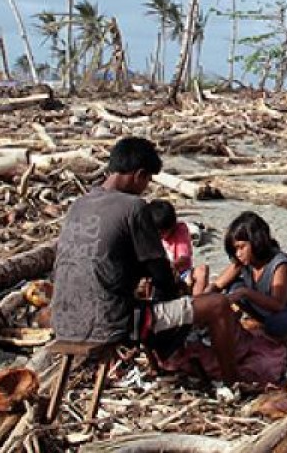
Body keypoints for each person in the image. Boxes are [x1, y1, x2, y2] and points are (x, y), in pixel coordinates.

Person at [50, 137, 237, 382]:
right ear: (139, 175)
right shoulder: (133, 207)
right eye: (147, 180)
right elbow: (160, 272)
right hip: (112, 323)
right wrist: (176, 300)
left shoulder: (79, 205)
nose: (146, 186)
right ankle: (234, 382)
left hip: (63, 321)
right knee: (218, 305)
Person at [207, 211, 287, 358]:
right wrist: (201, 299)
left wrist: (245, 292)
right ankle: (264, 324)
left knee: (275, 323)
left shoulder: (280, 264)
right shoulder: (242, 262)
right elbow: (218, 284)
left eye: (242, 247)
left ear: (256, 242)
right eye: (235, 249)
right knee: (233, 287)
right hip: (272, 309)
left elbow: (278, 304)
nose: (238, 254)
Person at [148, 199, 209, 293]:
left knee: (202, 271)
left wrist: (172, 267)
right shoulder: (147, 233)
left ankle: (196, 301)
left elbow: (183, 257)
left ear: (172, 226)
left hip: (182, 272)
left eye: (163, 233)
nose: (160, 235)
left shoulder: (180, 230)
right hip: (157, 274)